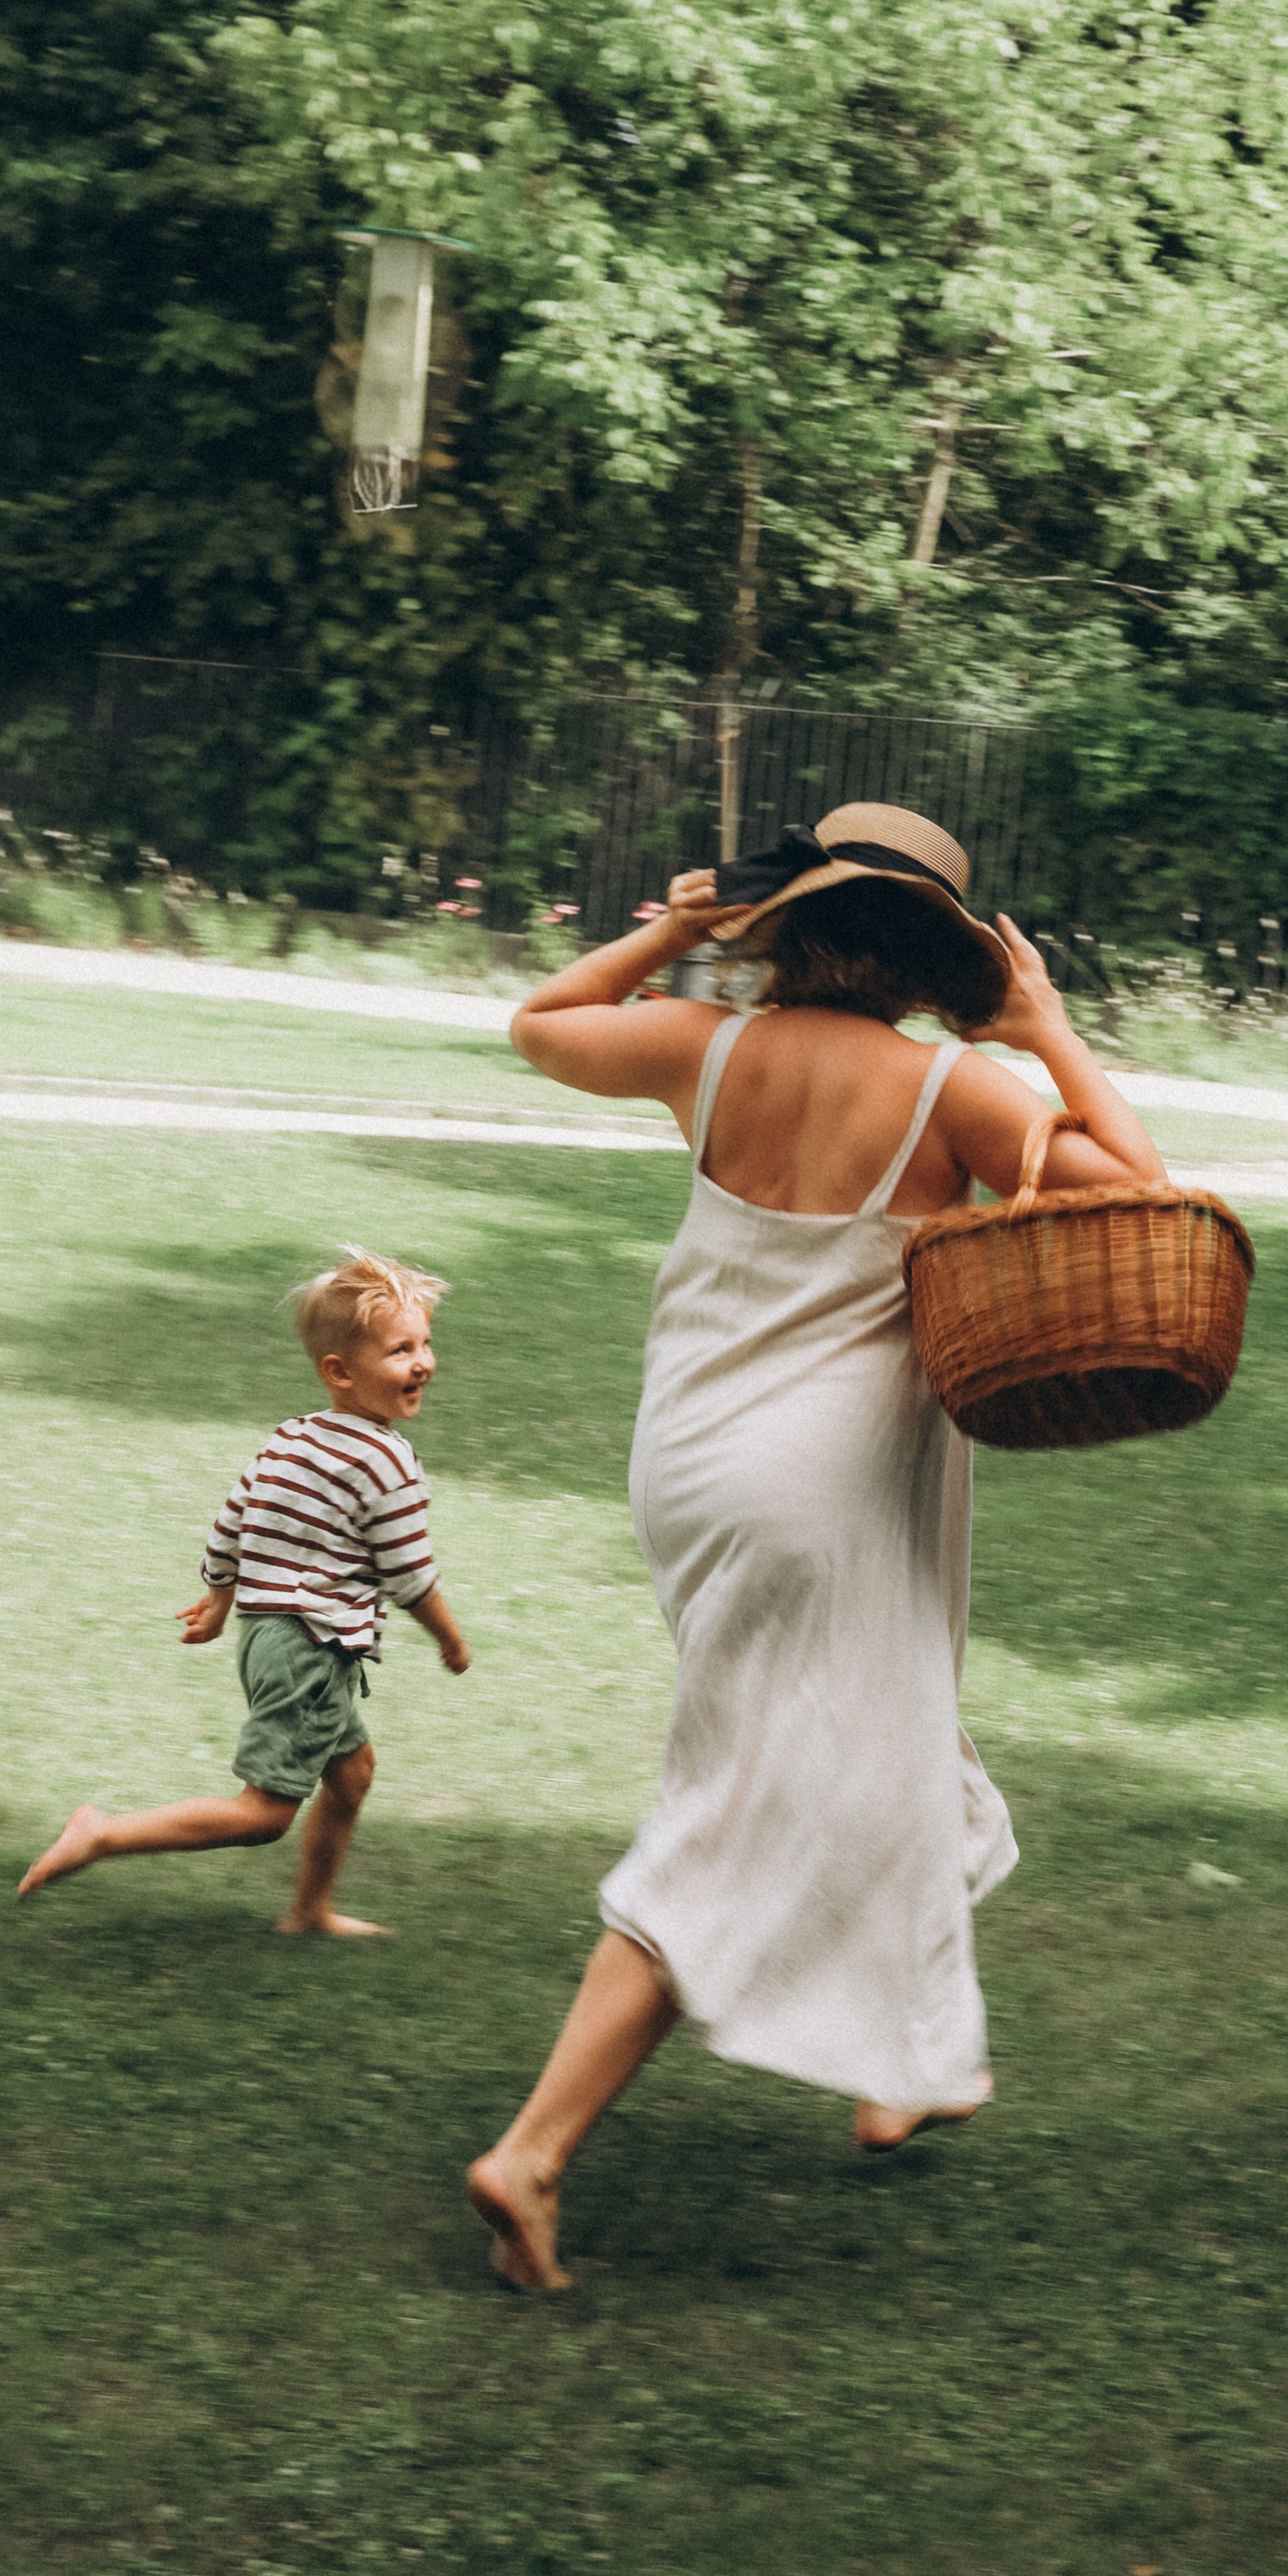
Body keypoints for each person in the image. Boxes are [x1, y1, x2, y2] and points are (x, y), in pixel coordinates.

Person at [466, 802, 1162, 2289]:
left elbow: (537, 1022)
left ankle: (902, 2065)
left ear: (782, 925)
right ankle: (530, 2152)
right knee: (747, 1810)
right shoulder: (958, 1088)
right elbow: (1153, 1196)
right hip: (823, 1485)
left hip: (690, 1463)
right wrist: (1044, 1024)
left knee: (892, 1740)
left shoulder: (695, 1046)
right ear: (934, 958)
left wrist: (676, 929)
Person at [18, 1246, 472, 1935]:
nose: (422, 1362)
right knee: (263, 1814)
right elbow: (409, 1574)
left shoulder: (291, 1438)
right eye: (400, 1349)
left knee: (351, 1775)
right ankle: (102, 1833)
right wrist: (452, 1642)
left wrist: (220, 1598)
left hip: (270, 1636)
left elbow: (237, 1519)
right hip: (312, 1651)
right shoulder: (387, 1462)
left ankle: (309, 1912)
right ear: (340, 1372)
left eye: (424, 1344)